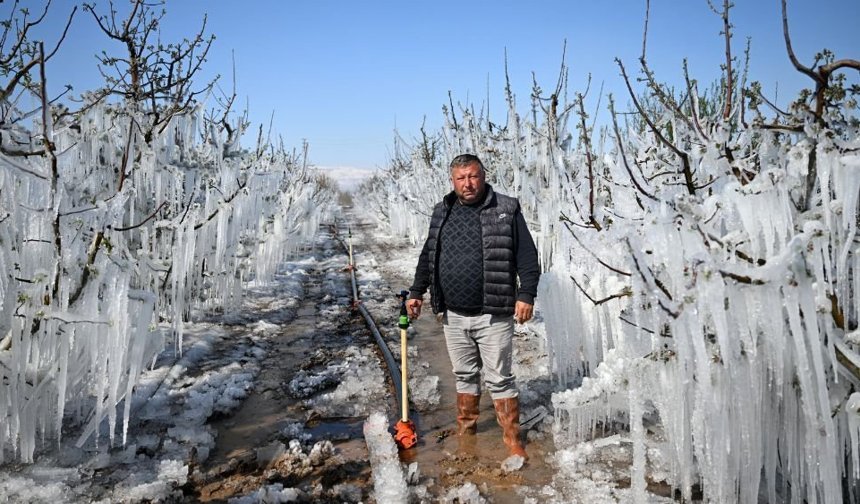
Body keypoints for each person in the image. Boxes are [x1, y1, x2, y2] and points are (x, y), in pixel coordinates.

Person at [406, 153, 540, 460]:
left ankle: (511, 439)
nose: (468, 183)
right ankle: (466, 432)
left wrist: (527, 295)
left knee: (499, 378)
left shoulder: (506, 208)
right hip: (453, 314)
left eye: (473, 176)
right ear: (452, 181)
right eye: (461, 178)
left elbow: (527, 257)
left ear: (483, 175)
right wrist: (417, 291)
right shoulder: (443, 211)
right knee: (464, 374)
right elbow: (429, 256)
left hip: (493, 313)